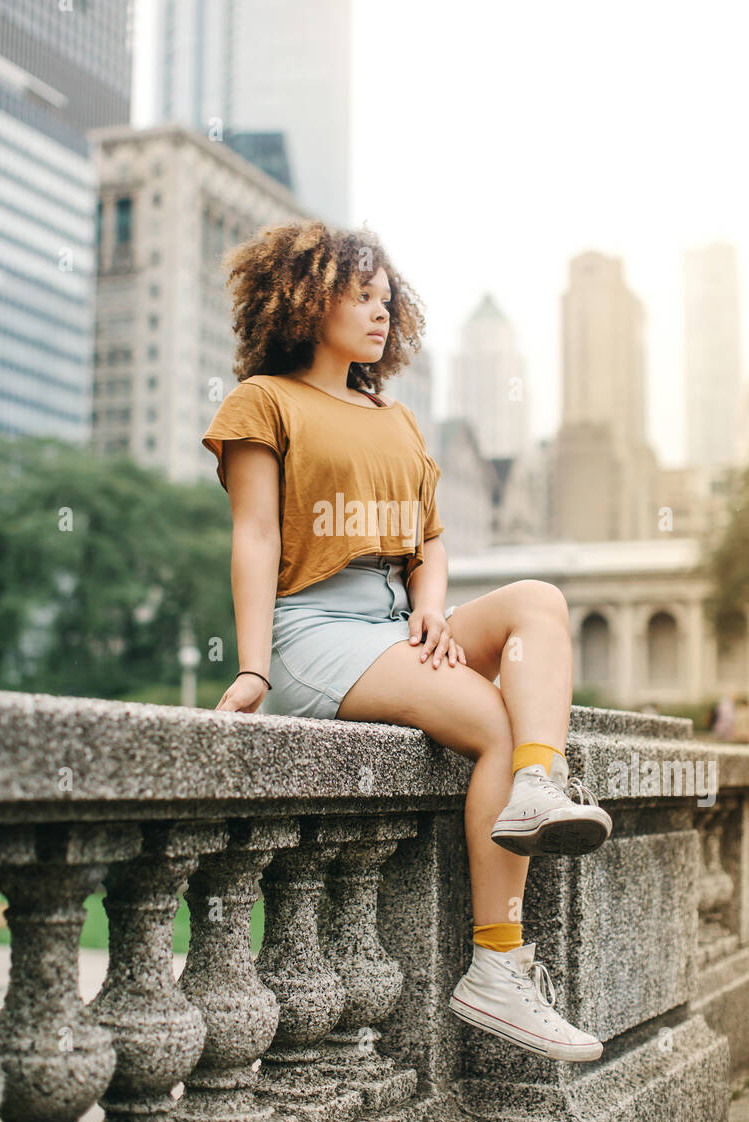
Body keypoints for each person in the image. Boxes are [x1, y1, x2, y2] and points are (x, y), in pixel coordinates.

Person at [201, 219, 612, 1064]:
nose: (380, 312)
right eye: (360, 296)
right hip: (313, 629)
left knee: (538, 599)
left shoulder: (400, 421)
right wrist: (250, 668)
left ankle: (539, 784)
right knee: (490, 719)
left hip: (396, 624)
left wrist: (431, 603)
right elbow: (254, 540)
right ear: (306, 300)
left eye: (387, 298)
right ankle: (497, 968)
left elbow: (429, 541)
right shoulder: (263, 402)